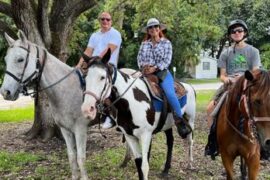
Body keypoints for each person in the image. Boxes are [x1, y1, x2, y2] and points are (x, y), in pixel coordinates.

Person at [205, 19, 261, 158]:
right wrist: (228, 79)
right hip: (229, 86)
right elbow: (222, 76)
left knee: (262, 106)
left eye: (239, 30)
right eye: (233, 31)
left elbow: (256, 73)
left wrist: (242, 79)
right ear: (230, 35)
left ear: (244, 33)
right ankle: (214, 141)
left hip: (248, 84)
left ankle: (263, 144)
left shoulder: (253, 51)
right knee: (210, 108)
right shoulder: (226, 53)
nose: (237, 33)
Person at [137, 18, 192, 138]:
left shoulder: (166, 43)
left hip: (161, 72)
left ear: (159, 28)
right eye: (150, 27)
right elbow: (139, 59)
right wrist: (144, 67)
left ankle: (180, 121)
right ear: (147, 30)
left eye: (155, 26)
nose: (153, 29)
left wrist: (155, 68)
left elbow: (167, 61)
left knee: (169, 93)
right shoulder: (144, 44)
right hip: (146, 73)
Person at [77, 12, 122, 129]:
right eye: (102, 19)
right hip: (93, 65)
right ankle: (87, 108)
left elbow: (108, 51)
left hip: (107, 64)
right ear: (99, 21)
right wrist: (78, 65)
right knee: (80, 80)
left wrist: (92, 62)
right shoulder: (94, 35)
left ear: (111, 21)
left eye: (107, 19)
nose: (105, 21)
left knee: (102, 86)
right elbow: (88, 51)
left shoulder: (115, 34)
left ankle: (110, 115)